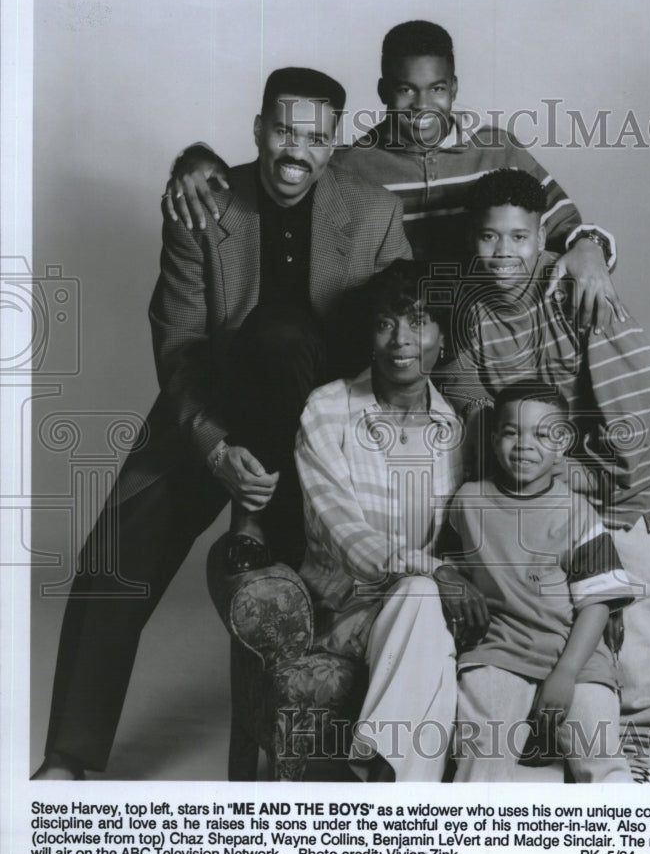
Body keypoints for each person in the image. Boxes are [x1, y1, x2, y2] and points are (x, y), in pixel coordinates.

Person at [33, 67, 411, 780]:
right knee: (111, 556)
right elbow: (178, 344)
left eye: (314, 137)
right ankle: (69, 760)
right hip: (217, 402)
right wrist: (212, 446)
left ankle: (259, 523)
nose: (295, 150)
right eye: (282, 131)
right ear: (258, 129)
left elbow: (398, 334)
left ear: (334, 144)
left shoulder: (374, 214)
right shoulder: (203, 204)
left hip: (316, 422)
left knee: (283, 333)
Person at [439, 167, 650, 783]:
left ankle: (635, 742)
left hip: (625, 477)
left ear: (544, 234)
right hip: (552, 478)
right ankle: (545, 725)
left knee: (636, 601)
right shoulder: (469, 309)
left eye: (519, 238)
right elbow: (485, 409)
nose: (503, 254)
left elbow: (633, 409)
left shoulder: (580, 287)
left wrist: (584, 484)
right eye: (490, 238)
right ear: (473, 237)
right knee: (562, 596)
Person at [164, 20, 624, 331]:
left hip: (495, 327)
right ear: (384, 91)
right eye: (406, 90)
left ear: (454, 89)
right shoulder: (350, 165)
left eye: (437, 89)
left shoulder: (499, 148)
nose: (422, 107)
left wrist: (590, 247)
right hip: (397, 337)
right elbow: (282, 173)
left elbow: (565, 227)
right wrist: (196, 159)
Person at [294, 260, 485, 782]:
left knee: (422, 603)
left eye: (419, 321)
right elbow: (348, 536)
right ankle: (403, 804)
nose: (401, 340)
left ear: (442, 336)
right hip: (348, 605)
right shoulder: (327, 410)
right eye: (385, 323)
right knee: (422, 597)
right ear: (369, 334)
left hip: (423, 609)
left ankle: (385, 782)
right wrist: (437, 574)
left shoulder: (456, 428)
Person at [450, 384, 635, 783]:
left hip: (577, 658)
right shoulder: (468, 502)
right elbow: (448, 573)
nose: (524, 445)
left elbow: (598, 603)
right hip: (497, 652)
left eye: (542, 433)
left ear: (561, 445)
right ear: (494, 436)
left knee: (602, 760)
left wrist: (566, 674)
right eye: (511, 431)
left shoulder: (576, 510)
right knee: (483, 752)